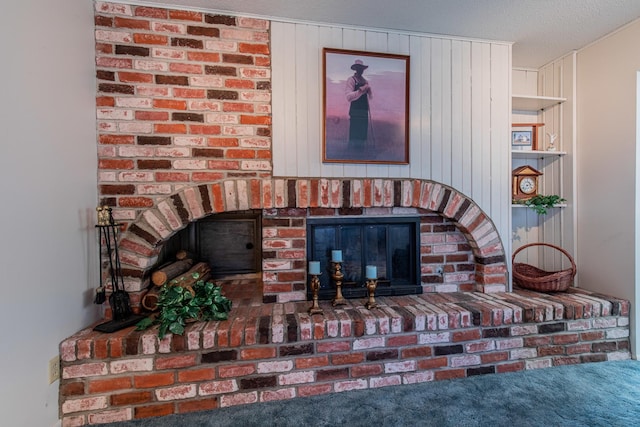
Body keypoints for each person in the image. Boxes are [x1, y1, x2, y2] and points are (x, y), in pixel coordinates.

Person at [345, 59, 373, 146]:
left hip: (364, 111)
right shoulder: (351, 80)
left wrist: (369, 91)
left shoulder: (365, 81)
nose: (360, 70)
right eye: (358, 68)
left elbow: (371, 97)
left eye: (361, 69)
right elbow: (348, 97)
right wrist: (360, 91)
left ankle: (361, 152)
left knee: (363, 131)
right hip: (355, 111)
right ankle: (352, 153)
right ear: (355, 69)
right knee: (354, 131)